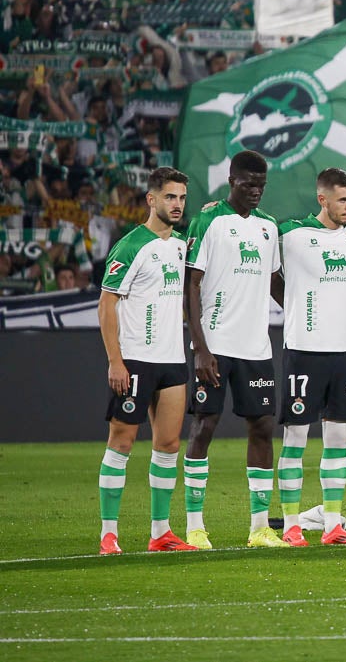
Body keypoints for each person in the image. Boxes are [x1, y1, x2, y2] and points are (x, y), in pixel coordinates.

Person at [180, 152, 284, 548]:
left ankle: (259, 528)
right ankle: (195, 526)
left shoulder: (268, 226)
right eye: (248, 184)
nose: (255, 190)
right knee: (204, 424)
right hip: (216, 346)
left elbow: (276, 282)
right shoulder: (209, 220)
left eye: (261, 184)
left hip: (256, 347)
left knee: (262, 426)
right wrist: (200, 348)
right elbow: (192, 284)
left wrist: (312, 310)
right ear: (231, 180)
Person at [96, 167, 198, 554]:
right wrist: (115, 361)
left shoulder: (180, 245)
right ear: (151, 200)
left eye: (182, 198)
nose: (177, 204)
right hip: (135, 360)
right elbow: (106, 305)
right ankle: (109, 533)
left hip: (172, 360)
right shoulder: (130, 245)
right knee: (121, 441)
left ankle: (160, 532)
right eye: (170, 197)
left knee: (169, 443)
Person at [270, 168, 346, 546]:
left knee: (338, 442)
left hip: (344, 352)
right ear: (322, 199)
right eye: (343, 199)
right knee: (295, 440)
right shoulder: (292, 234)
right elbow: (262, 261)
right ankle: (293, 525)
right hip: (303, 351)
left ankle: (332, 525)